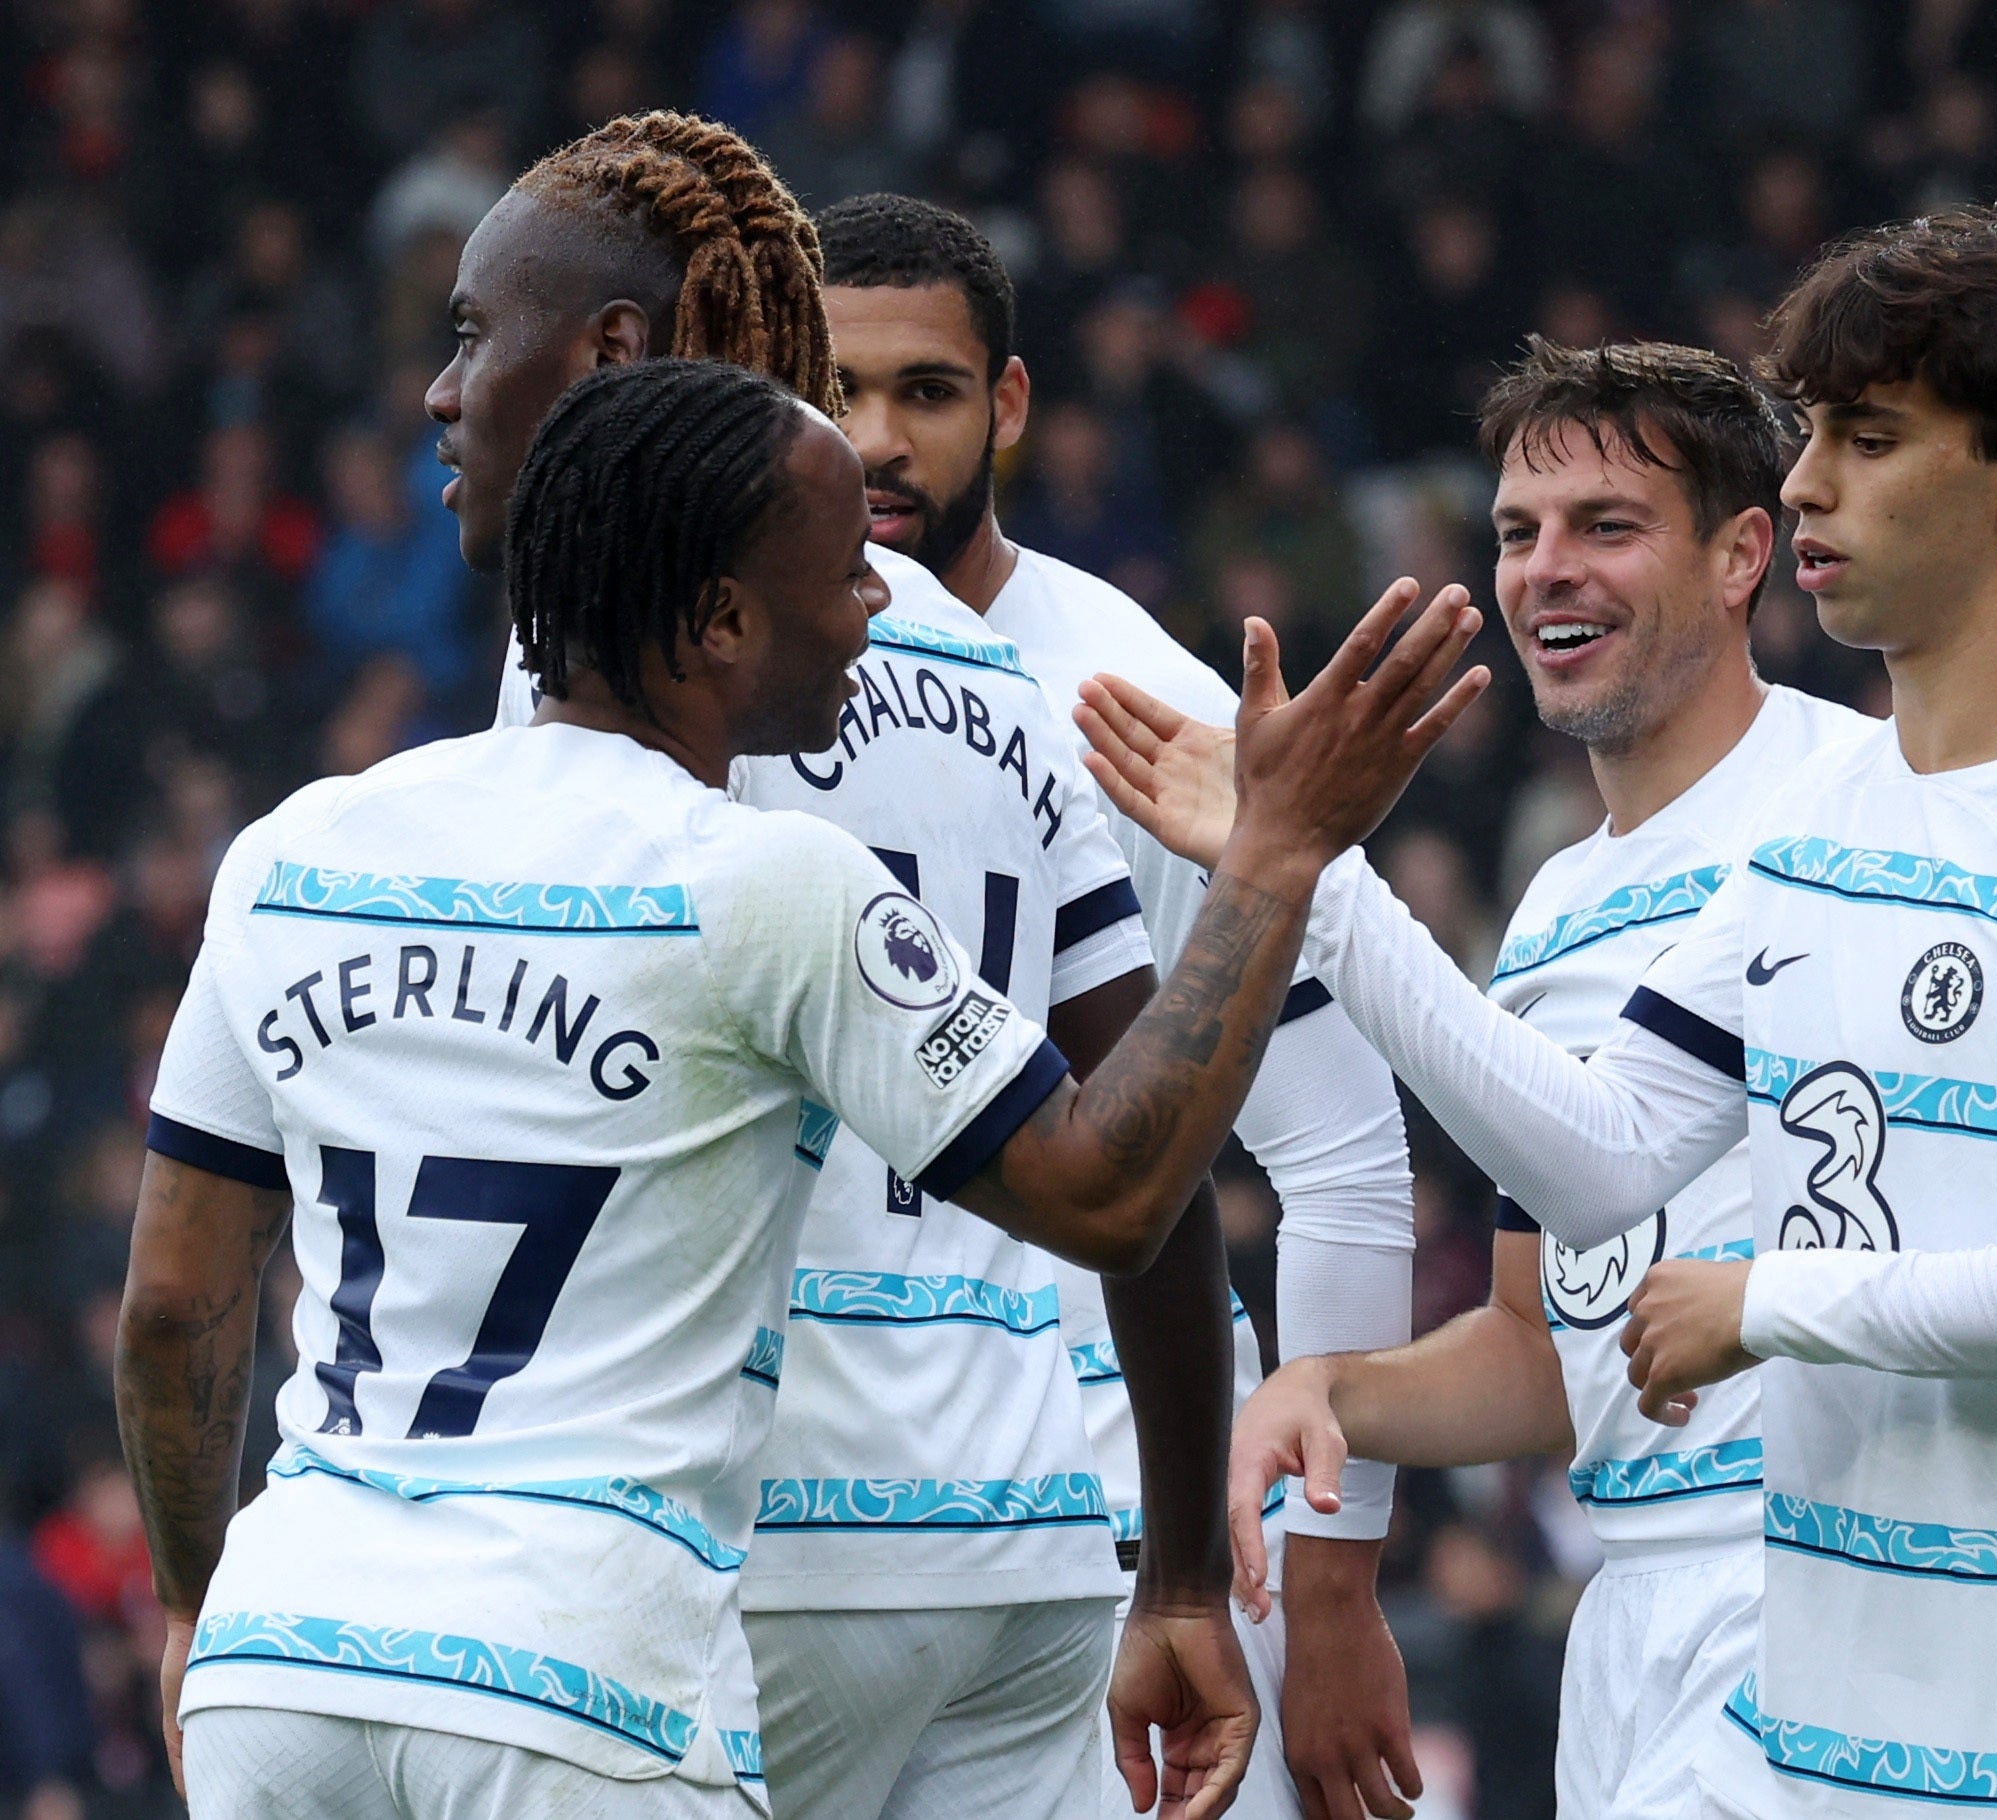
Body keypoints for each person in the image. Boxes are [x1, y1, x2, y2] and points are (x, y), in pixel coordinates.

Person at [117, 354, 1489, 1818]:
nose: (877, 607)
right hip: (578, 1691)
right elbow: (1109, 1193)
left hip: (290, 1667)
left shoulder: (294, 853)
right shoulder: (768, 886)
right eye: (841, 576)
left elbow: (174, 1306)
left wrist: (199, 1605)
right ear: (717, 621)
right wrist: (1273, 857)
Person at [1082, 200, 1997, 1817]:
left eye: (1865, 440)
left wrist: (1771, 1300)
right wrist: (1303, 867)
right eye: (1812, 442)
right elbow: (1604, 1165)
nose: (1805, 484)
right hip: (1829, 1693)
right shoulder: (1820, 834)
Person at [428, 111, 1261, 1807]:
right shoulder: (976, 657)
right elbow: (1139, 1151)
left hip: (757, 1549)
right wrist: (1172, 1566)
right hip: (1020, 1551)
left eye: (466, 337)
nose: (442, 391)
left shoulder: (610, 660)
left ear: (608, 358)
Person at [808, 192, 1422, 1820]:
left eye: (925, 393)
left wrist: (1335, 1585)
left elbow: (1346, 1154)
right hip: (821, 1507)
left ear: (1007, 408)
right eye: (833, 389)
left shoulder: (1138, 707)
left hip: (1104, 1509)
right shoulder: (706, 689)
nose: (875, 439)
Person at [1221, 337, 1872, 1820]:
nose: (1546, 571)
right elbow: (1540, 1357)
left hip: (1830, 1586)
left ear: (1742, 555)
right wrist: (1325, 1389)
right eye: (1520, 534)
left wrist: (1310, 871)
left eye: (1606, 527)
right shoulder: (1557, 911)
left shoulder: (1859, 811)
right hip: (1627, 1620)